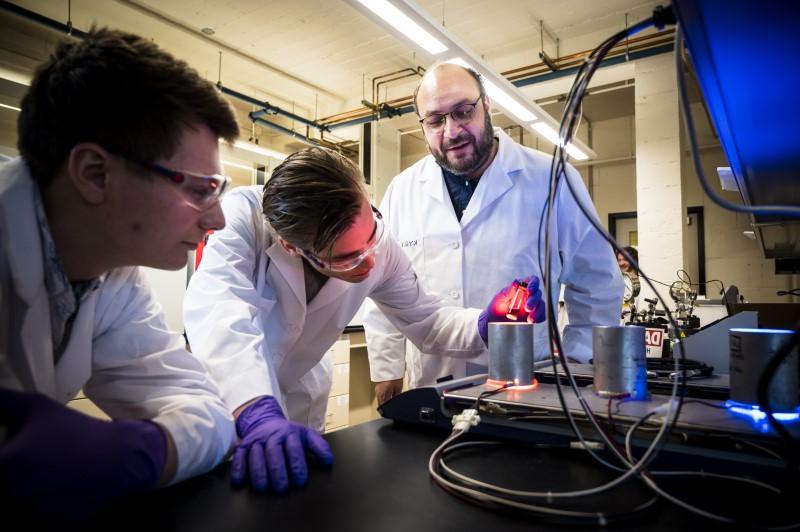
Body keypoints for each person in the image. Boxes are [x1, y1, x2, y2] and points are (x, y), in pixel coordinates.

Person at [183, 146, 542, 495]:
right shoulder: (243, 219)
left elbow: (426, 319)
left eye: (372, 235)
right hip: (232, 400)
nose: (370, 262)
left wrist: (485, 322)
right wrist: (255, 411)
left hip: (303, 401)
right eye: (347, 258)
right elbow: (218, 311)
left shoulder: (378, 247)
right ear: (292, 247)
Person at [0, 28, 240, 524]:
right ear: (94, 173)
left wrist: (149, 448)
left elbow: (205, 410)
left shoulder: (114, 278)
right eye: (200, 190)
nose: (216, 220)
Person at [363, 62, 623, 399]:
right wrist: (386, 371)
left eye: (462, 112)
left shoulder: (552, 179)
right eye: (435, 120)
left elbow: (596, 283)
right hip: (431, 385)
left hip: (528, 386)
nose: (451, 130)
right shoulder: (403, 190)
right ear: (422, 125)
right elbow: (383, 287)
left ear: (487, 106)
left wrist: (578, 362)